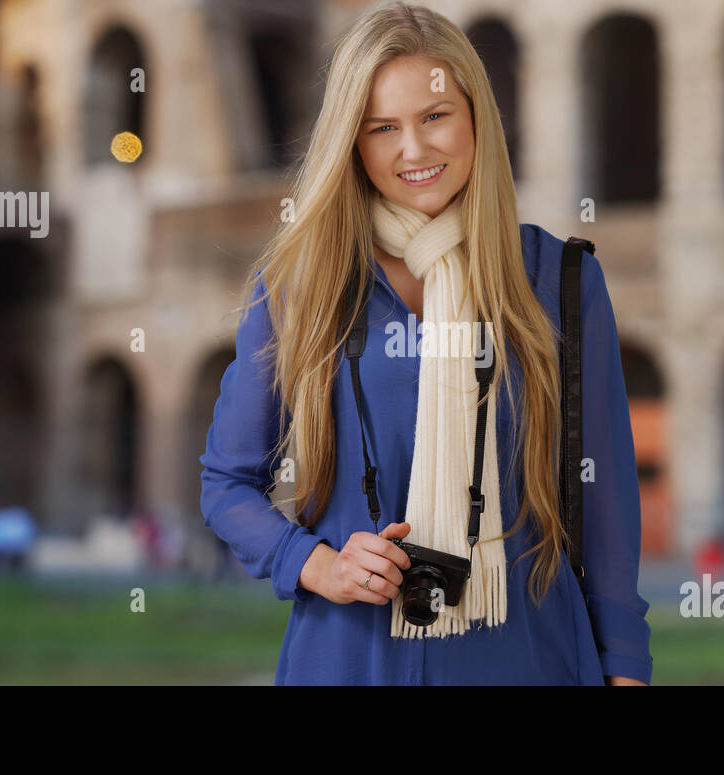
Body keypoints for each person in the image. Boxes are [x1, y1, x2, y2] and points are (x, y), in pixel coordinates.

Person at [200, 2, 651, 685]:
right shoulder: (302, 284)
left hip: (526, 655)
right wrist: (320, 564)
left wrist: (627, 669)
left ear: (475, 117)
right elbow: (227, 483)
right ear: (352, 141)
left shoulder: (559, 280)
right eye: (383, 127)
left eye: (434, 116)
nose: (413, 150)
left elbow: (607, 504)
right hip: (351, 656)